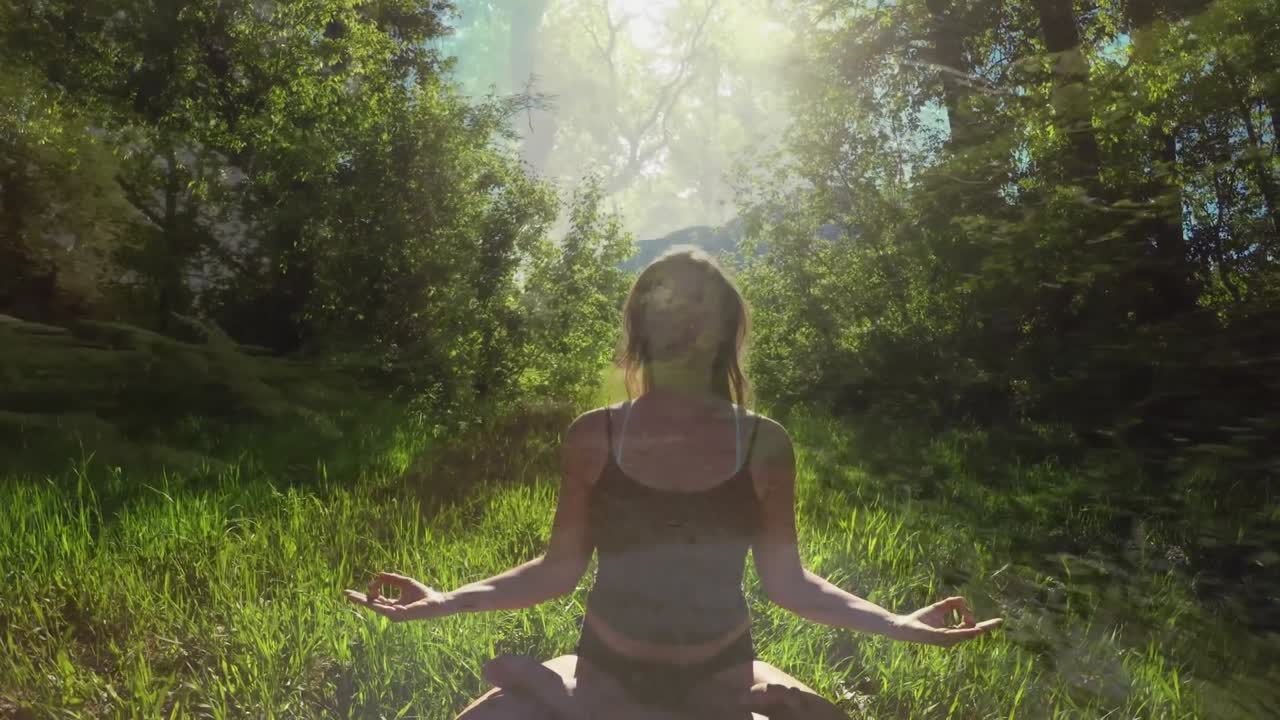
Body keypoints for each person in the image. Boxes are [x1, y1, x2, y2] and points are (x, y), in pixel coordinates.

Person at [344, 246, 1003, 719]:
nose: (677, 314)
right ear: (638, 326)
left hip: (721, 681)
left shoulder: (766, 444)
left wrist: (900, 624)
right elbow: (557, 570)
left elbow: (790, 583)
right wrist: (441, 600)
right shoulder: (593, 436)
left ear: (726, 330)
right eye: (661, 301)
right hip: (606, 673)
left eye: (697, 303)